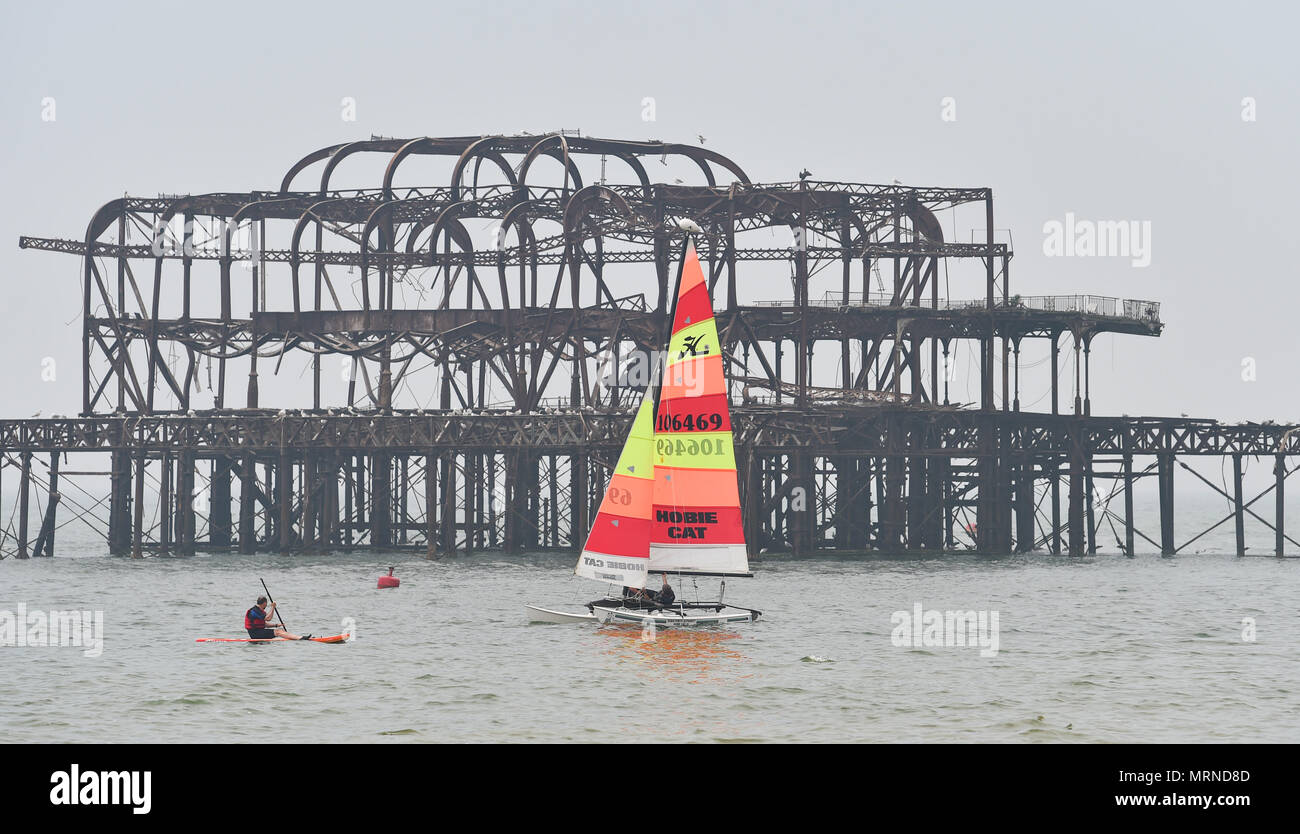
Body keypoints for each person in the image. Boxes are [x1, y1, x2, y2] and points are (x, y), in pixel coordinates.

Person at [245, 596, 310, 640]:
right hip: (255, 634)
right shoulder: (254, 611)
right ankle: (300, 638)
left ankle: (295, 637)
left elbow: (264, 624)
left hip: (259, 632)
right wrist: (273, 607)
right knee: (278, 632)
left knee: (280, 630)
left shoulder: (259, 611)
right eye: (266, 603)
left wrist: (276, 625)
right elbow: (268, 618)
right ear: (264, 603)